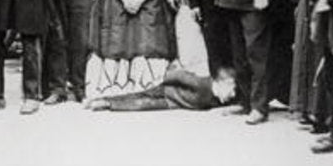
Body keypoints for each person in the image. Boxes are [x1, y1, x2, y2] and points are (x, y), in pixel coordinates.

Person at [87, 66, 237, 112]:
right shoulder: (202, 83)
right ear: (222, 82)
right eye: (232, 89)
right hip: (167, 91)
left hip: (172, 103)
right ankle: (103, 100)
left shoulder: (217, 100)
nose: (233, 94)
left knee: (141, 105)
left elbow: (228, 108)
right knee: (139, 95)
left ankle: (108, 105)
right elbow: (180, 76)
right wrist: (160, 80)